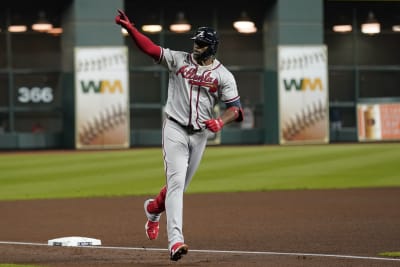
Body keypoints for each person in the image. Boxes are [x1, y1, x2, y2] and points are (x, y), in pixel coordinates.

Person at [115, 9, 243, 261]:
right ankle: (176, 242)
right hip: (174, 127)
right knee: (175, 184)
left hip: (200, 135)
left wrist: (221, 121)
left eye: (202, 44)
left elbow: (236, 110)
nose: (196, 46)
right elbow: (151, 49)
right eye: (196, 42)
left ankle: (152, 209)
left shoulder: (223, 75)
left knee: (180, 185)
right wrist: (131, 30)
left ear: (212, 47)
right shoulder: (178, 60)